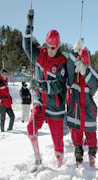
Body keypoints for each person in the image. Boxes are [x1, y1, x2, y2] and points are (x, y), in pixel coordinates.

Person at [22, 9, 68, 170]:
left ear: (58, 46)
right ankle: (37, 158)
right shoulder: (40, 54)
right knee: (31, 127)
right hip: (40, 102)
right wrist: (29, 27)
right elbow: (27, 46)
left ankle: (61, 167)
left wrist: (41, 85)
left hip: (55, 107)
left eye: (53, 48)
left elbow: (59, 85)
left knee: (58, 143)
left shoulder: (62, 62)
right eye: (48, 46)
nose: (50, 50)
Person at [66, 40, 98, 167]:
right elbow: (69, 65)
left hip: (89, 113)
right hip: (75, 114)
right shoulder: (72, 76)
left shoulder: (90, 74)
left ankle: (92, 160)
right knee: (76, 138)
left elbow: (94, 86)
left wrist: (85, 72)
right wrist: (74, 51)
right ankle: (78, 160)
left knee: (91, 137)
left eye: (86, 64)